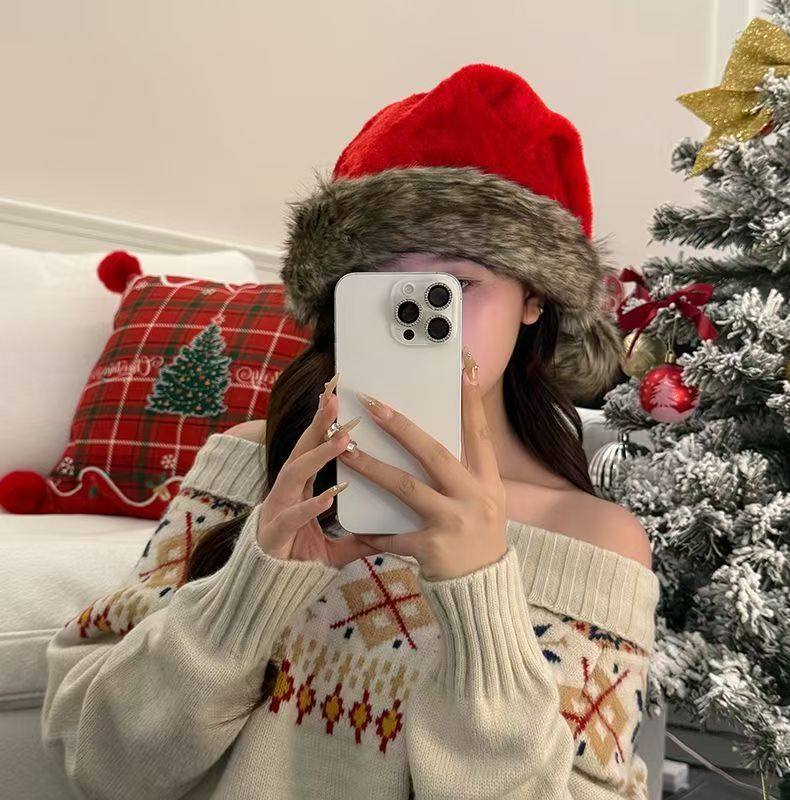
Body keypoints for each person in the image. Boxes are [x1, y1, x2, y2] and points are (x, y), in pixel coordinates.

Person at [41, 63, 659, 799]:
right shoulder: (248, 466)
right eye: (378, 284)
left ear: (535, 299)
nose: (413, 314)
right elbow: (100, 766)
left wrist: (480, 599)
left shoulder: (594, 541)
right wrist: (251, 586)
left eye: (455, 285)